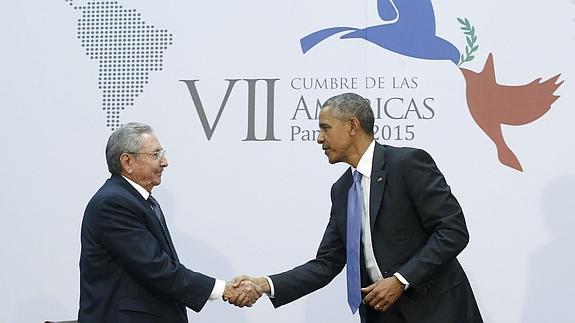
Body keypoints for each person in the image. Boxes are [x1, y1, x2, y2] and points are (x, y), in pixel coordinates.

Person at [235, 93, 483, 322]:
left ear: (352, 125)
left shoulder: (407, 164)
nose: (319, 138)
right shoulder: (342, 189)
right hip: (382, 316)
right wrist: (264, 284)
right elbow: (326, 263)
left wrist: (401, 280)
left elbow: (453, 231)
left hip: (437, 312)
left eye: (325, 128)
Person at [78, 122, 260, 323]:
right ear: (127, 161)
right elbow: (155, 267)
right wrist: (223, 290)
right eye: (155, 155)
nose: (164, 162)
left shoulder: (138, 200)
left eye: (162, 153)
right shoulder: (113, 203)